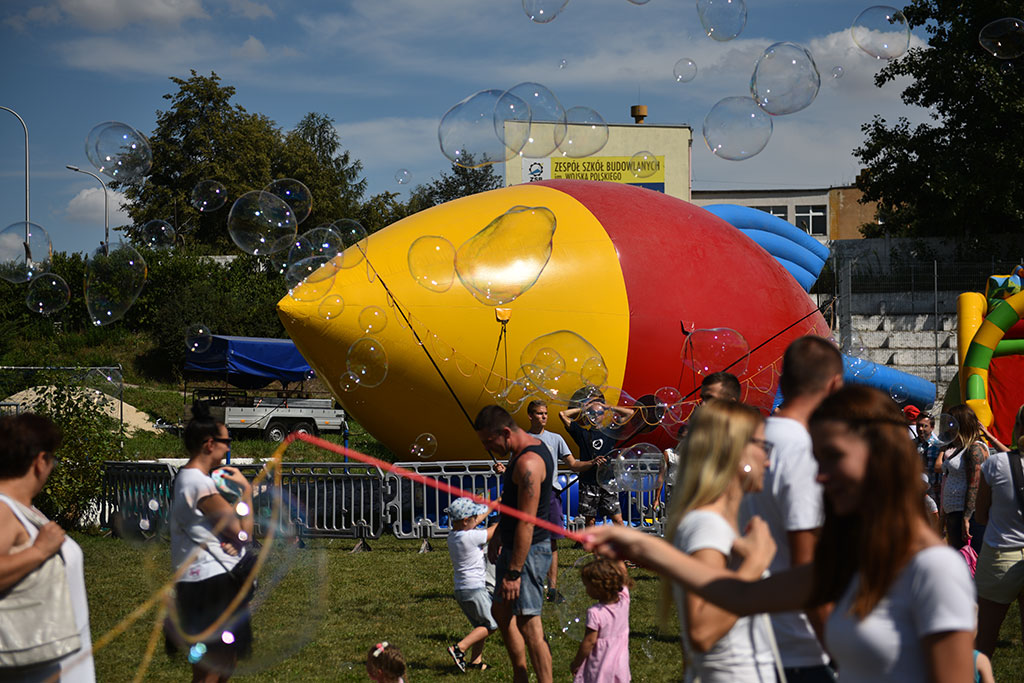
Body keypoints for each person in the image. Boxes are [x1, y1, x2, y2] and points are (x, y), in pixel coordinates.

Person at [587, 384, 977, 683]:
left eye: (833, 458)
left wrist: (753, 561)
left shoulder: (933, 569)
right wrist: (642, 546)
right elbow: (735, 596)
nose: (820, 476)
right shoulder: (847, 556)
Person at [740, 335, 842, 682]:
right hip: (796, 646)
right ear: (834, 385)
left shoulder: (748, 443)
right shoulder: (803, 453)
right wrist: (840, 651)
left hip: (747, 632)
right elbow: (805, 568)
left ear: (782, 384)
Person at [665, 399, 777, 682]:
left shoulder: (719, 523)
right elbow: (702, 631)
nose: (768, 460)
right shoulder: (707, 525)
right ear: (735, 451)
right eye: (763, 446)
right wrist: (756, 563)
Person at [0, 413, 95, 682]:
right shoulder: (4, 509)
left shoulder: (22, 509)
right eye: (53, 459)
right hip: (31, 667)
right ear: (40, 461)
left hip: (57, 658)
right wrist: (39, 551)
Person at [167, 402, 254, 683]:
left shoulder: (189, 479)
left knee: (218, 665)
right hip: (210, 585)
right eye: (226, 441)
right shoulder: (199, 483)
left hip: (200, 582)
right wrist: (246, 491)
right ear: (209, 444)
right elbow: (242, 533)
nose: (228, 448)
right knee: (215, 667)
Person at [475, 405, 553, 683]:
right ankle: (520, 675)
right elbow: (512, 502)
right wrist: (498, 533)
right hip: (512, 544)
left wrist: (513, 573)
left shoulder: (529, 463)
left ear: (506, 432)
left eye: (489, 441)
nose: (488, 448)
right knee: (500, 610)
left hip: (529, 552)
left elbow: (527, 522)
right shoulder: (519, 453)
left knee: (529, 624)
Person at [526, 399, 598, 602]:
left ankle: (552, 589)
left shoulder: (556, 438)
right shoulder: (522, 438)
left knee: (552, 542)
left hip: (550, 495)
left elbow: (573, 464)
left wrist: (592, 463)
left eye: (545, 413)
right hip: (528, 495)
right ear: (530, 416)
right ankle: (529, 585)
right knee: (527, 540)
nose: (544, 417)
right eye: (539, 413)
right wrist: (503, 469)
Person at [973, 404, 1024, 665]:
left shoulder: (995, 464)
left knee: (984, 638)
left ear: (1017, 428)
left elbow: (981, 515)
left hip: (1000, 555)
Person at [558, 390, 632, 528]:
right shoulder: (582, 433)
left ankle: (622, 541)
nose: (596, 416)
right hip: (589, 482)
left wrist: (608, 407)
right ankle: (590, 541)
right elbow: (562, 415)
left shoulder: (611, 432)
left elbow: (630, 414)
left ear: (604, 415)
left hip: (607, 481)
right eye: (592, 413)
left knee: (618, 519)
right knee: (590, 521)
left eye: (599, 413)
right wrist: (584, 408)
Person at [445, 497, 498, 672]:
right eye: (474, 518)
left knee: (480, 625)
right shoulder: (471, 537)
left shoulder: (454, 536)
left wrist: (495, 504)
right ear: (466, 521)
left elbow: (477, 520)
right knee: (492, 624)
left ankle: (476, 661)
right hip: (475, 590)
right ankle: (459, 648)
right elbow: (493, 531)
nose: (477, 520)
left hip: (462, 590)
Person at [569, 557, 631, 683]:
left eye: (587, 585)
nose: (586, 589)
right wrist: (616, 553)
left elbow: (589, 641)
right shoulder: (624, 600)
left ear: (597, 588)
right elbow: (623, 573)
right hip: (620, 665)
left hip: (600, 666)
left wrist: (577, 663)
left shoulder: (595, 613)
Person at [937, 404, 990, 551]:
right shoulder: (960, 448)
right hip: (954, 514)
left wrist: (966, 517)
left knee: (969, 559)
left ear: (962, 424)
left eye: (952, 423)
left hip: (968, 516)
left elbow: (975, 484)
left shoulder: (975, 448)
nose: (949, 428)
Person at [915, 414, 941, 505]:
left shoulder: (938, 446)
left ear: (932, 427)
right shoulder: (911, 445)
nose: (920, 429)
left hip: (933, 495)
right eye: (918, 425)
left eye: (924, 426)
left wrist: (941, 484)